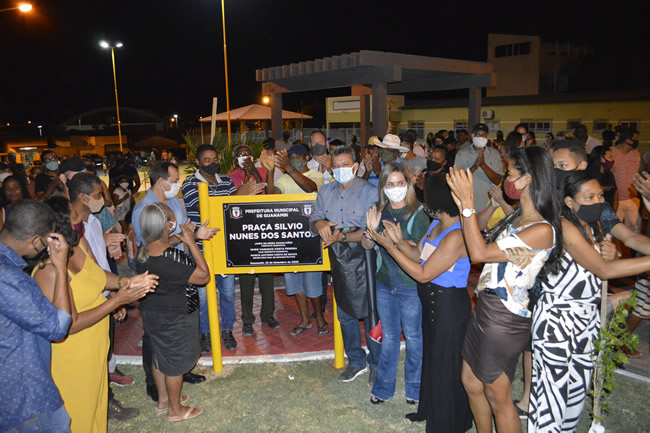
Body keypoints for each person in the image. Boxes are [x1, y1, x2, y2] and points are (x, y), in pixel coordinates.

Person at [446, 146, 563, 433]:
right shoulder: (519, 216)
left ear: (528, 179)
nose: (505, 181)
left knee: (498, 396)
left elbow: (479, 253)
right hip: (487, 308)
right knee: (472, 382)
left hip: (505, 317)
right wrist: (465, 206)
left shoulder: (542, 229)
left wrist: (467, 203)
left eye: (510, 174)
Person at [528, 171, 650, 432]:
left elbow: (631, 240)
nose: (598, 202)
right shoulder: (563, 225)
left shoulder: (594, 224)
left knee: (575, 394)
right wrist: (610, 262)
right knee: (552, 397)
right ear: (570, 201)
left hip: (586, 320)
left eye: (601, 195)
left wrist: (614, 255)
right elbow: (602, 271)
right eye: (590, 197)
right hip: (557, 321)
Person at [32, 197, 157, 433]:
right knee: (79, 415)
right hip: (72, 356)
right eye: (73, 215)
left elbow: (98, 276)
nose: (79, 218)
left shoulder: (77, 246)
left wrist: (125, 282)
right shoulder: (48, 270)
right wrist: (117, 301)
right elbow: (70, 324)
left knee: (97, 409)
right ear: (57, 224)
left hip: (96, 347)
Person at [367, 173, 472, 431]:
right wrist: (399, 241)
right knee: (433, 361)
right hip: (433, 306)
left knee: (447, 365)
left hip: (449, 307)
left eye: (429, 196)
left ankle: (449, 421)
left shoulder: (457, 235)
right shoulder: (437, 224)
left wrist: (389, 247)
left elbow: (422, 273)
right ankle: (429, 408)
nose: (424, 200)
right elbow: (418, 255)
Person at [132, 162, 218, 400]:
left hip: (179, 273)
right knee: (157, 339)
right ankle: (155, 384)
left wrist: (193, 234)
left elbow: (171, 236)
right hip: (165, 280)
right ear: (161, 180)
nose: (177, 183)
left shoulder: (177, 203)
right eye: (174, 179)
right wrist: (187, 240)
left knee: (174, 343)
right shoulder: (143, 209)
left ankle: (179, 374)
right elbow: (150, 247)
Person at [0, 201, 74, 433]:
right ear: (35, 241)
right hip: (28, 398)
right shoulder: (11, 279)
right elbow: (58, 326)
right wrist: (60, 266)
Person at [311, 145, 381, 384]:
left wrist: (344, 236)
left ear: (354, 166)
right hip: (338, 255)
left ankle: (376, 363)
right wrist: (319, 223)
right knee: (345, 313)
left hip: (364, 253)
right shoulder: (325, 191)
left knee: (372, 312)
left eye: (345, 165)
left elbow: (373, 230)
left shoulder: (370, 191)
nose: (341, 169)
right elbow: (314, 219)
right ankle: (357, 361)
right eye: (336, 165)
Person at [361, 163, 428, 405]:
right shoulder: (379, 210)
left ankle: (415, 389)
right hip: (384, 284)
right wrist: (370, 233)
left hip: (409, 285)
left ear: (408, 185)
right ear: (383, 187)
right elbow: (368, 247)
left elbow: (422, 254)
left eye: (400, 183)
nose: (396, 188)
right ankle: (383, 388)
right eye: (390, 184)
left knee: (413, 336)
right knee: (388, 336)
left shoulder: (418, 213)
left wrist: (398, 241)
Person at [136, 203, 209, 422]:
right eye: (172, 220)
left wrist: (186, 236)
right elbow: (203, 276)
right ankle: (176, 411)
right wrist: (190, 241)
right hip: (176, 316)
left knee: (160, 357)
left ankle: (164, 400)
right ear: (167, 226)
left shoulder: (143, 250)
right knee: (175, 364)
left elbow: (165, 244)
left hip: (152, 313)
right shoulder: (171, 258)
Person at [261, 144, 327, 336]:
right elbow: (272, 196)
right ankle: (305, 320)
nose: (294, 158)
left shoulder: (316, 175)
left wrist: (289, 167)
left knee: (313, 282)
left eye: (298, 156)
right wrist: (271, 173)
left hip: (310, 237)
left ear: (307, 158)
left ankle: (320, 318)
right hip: (290, 239)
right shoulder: (284, 178)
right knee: (295, 283)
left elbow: (310, 188)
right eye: (291, 156)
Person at [182, 144, 242, 353]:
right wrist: (236, 197)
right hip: (201, 248)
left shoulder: (225, 180)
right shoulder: (190, 183)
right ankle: (205, 332)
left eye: (215, 159)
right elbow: (207, 209)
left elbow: (233, 210)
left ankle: (227, 329)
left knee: (227, 293)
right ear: (198, 162)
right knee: (203, 295)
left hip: (225, 246)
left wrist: (235, 199)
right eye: (207, 160)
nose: (213, 163)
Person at [227, 145, 279, 335]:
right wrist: (247, 174)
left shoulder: (263, 172)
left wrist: (253, 172)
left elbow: (268, 193)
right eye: (240, 155)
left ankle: (268, 315)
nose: (244, 157)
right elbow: (235, 201)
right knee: (246, 280)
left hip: (263, 228)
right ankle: (247, 319)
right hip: (243, 232)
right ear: (235, 159)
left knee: (267, 279)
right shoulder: (231, 177)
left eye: (247, 153)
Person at [454, 123, 503, 211]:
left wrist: (483, 165)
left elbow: (497, 180)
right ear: (472, 136)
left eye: (483, 135)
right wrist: (474, 167)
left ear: (488, 137)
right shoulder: (462, 154)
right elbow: (458, 180)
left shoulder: (494, 154)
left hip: (489, 206)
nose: (480, 137)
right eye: (478, 135)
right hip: (468, 205)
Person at [610, 128, 641, 233]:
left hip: (632, 198)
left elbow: (640, 172)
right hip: (616, 200)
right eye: (634, 138)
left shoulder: (636, 153)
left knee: (633, 231)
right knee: (614, 231)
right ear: (627, 139)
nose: (637, 141)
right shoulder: (611, 153)